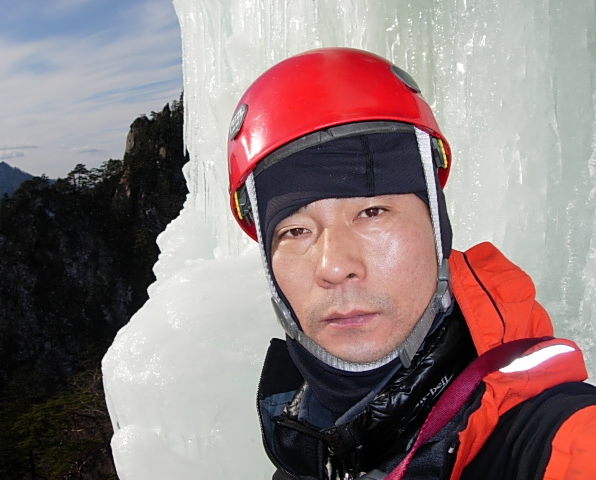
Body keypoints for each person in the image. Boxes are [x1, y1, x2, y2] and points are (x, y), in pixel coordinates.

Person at [226, 47, 596, 480]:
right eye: (295, 231)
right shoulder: (305, 456)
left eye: (372, 212)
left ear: (438, 231)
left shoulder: (556, 444)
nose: (334, 266)